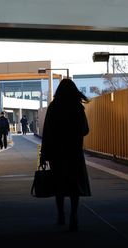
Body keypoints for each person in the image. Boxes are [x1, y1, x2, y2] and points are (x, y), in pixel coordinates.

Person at [40, 78, 91, 232]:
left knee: (59, 184)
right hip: (74, 152)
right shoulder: (77, 107)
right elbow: (85, 130)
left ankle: (61, 214)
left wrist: (44, 154)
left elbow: (47, 132)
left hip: (56, 153)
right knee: (74, 185)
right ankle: (74, 216)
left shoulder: (54, 107)